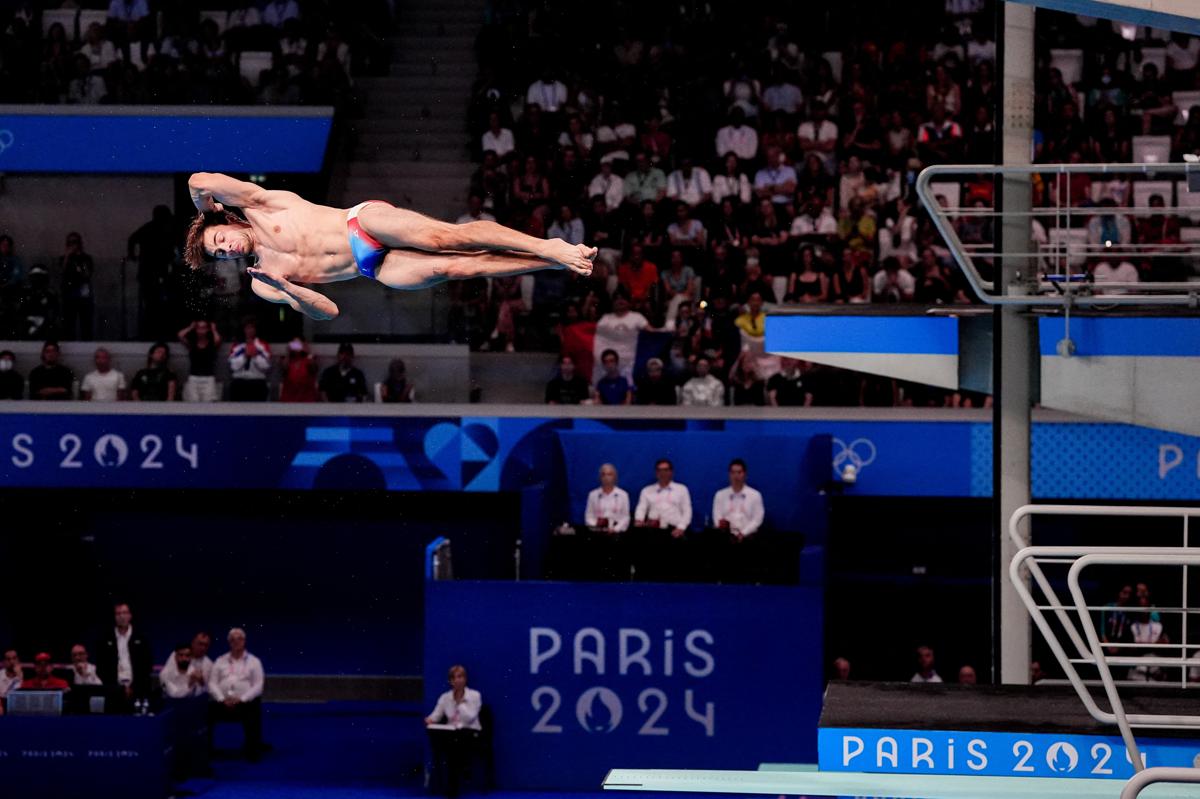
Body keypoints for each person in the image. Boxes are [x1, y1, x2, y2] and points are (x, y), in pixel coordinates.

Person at [184, 173, 595, 321]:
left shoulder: (258, 204)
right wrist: (287, 287)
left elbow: (197, 181)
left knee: (445, 239)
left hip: (359, 222)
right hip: (371, 267)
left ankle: (548, 246)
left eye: (220, 240)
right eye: (219, 254)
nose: (226, 250)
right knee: (458, 267)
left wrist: (205, 209)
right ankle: (551, 263)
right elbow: (327, 312)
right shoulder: (263, 281)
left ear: (227, 222)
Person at [425, 664, 483, 797]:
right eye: (454, 678)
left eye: (460, 677)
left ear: (465, 679)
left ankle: (454, 785)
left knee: (456, 744)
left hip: (471, 732)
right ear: (450, 681)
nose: (458, 680)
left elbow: (470, 718)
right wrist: (430, 720)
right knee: (449, 743)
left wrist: (460, 703)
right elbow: (436, 715)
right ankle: (445, 784)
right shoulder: (445, 697)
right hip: (452, 734)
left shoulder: (475, 696)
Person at [208, 627, 266, 761]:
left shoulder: (254, 661)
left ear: (244, 641)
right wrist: (221, 699)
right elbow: (212, 683)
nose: (236, 642)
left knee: (253, 710)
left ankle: (252, 751)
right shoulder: (220, 660)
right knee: (206, 713)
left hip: (245, 703)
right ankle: (207, 751)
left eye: (239, 639)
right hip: (222, 702)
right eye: (233, 639)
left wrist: (242, 699)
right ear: (229, 642)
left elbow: (259, 685)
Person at [97, 602, 154, 711]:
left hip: (138, 691)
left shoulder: (141, 638)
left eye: (124, 613)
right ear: (114, 617)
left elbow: (147, 666)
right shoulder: (105, 639)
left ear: (130, 616)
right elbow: (102, 668)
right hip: (113, 692)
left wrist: (132, 687)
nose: (121, 616)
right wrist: (117, 689)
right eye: (118, 613)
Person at [634, 459, 692, 537]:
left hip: (675, 530)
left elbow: (687, 511)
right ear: (656, 473)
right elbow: (641, 508)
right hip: (652, 530)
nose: (662, 473)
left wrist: (681, 527)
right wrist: (639, 519)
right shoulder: (646, 490)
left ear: (671, 472)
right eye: (659, 470)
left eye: (666, 470)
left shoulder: (682, 489)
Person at [711, 459, 765, 539]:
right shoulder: (720, 495)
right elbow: (717, 518)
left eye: (739, 472)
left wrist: (743, 533)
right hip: (725, 537)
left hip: (748, 537)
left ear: (745, 474)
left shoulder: (755, 495)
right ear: (729, 475)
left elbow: (757, 519)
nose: (736, 476)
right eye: (733, 473)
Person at [178, 320, 222, 402]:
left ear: (207, 329)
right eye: (199, 328)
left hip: (209, 377)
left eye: (203, 328)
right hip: (193, 377)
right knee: (193, 402)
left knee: (209, 403)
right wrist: (190, 327)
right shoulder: (192, 344)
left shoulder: (211, 344)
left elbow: (218, 340)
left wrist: (213, 329)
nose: (201, 330)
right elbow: (180, 335)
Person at [585, 463, 631, 533]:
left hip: (617, 532)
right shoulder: (593, 495)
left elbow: (626, 517)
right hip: (597, 532)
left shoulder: (623, 495)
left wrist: (615, 529)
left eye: (609, 474)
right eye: (603, 474)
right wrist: (597, 527)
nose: (606, 477)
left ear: (615, 477)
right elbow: (589, 516)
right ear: (600, 477)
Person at [279, 336, 319, 402]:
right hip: (289, 396)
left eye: (298, 344)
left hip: (306, 396)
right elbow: (283, 370)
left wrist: (307, 352)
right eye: (294, 344)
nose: (296, 346)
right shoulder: (285, 359)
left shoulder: (310, 358)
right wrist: (288, 352)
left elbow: (314, 369)